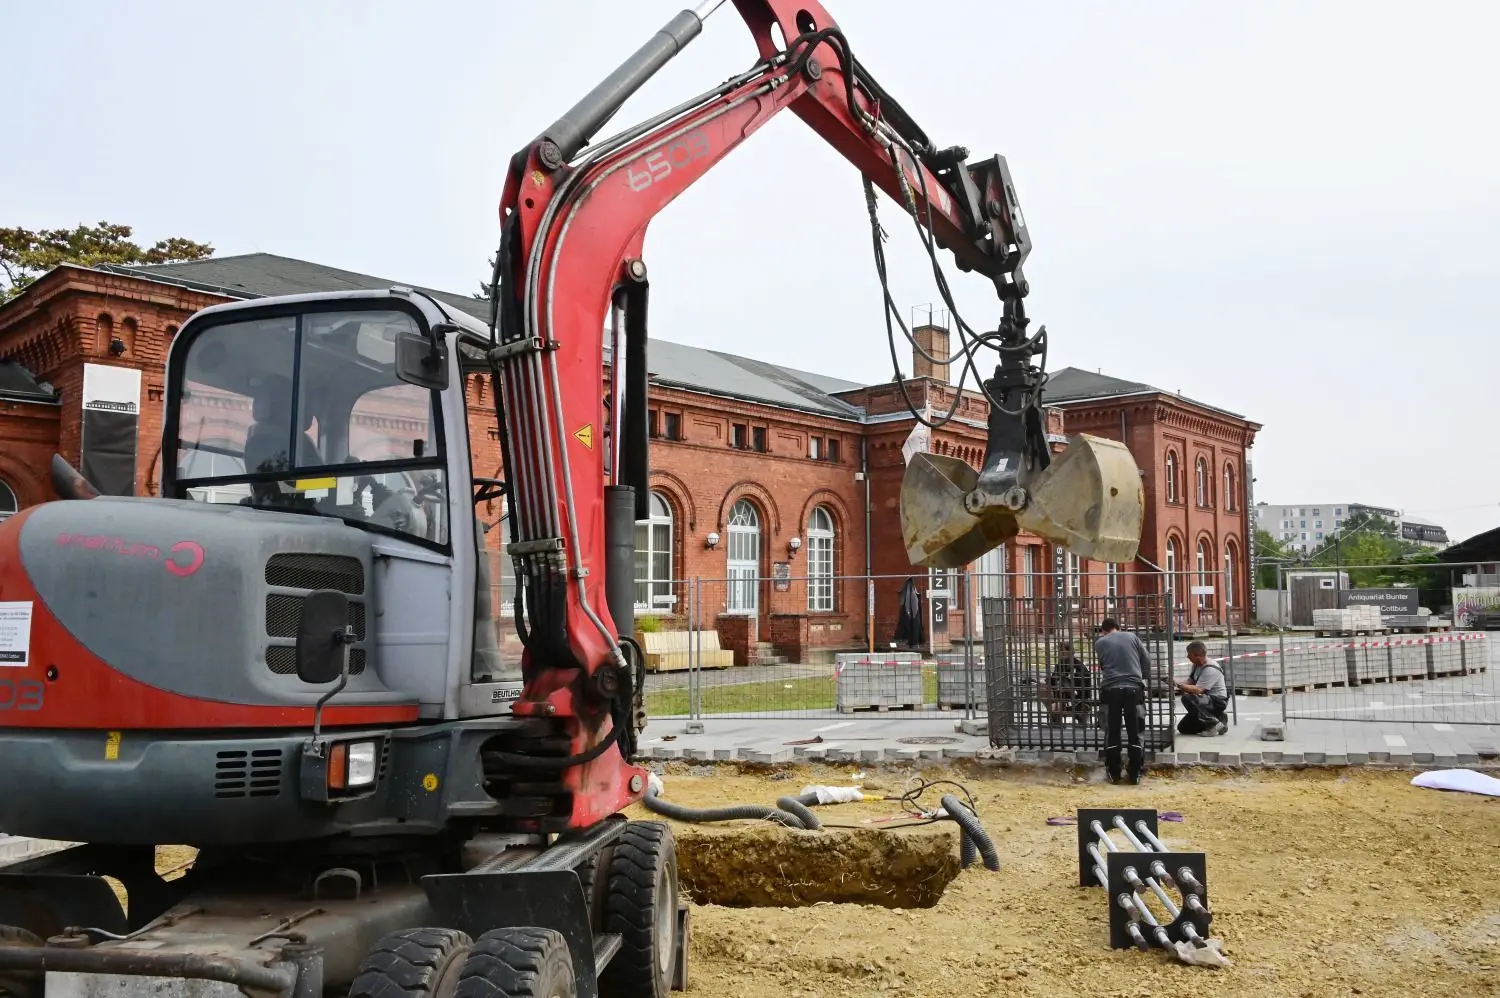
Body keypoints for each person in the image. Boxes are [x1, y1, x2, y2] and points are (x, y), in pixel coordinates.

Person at [1095, 617, 1152, 785]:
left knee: (1112, 731)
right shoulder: (1132, 637)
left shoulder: (1100, 643)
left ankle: (1114, 772)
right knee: (1136, 731)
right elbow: (1146, 660)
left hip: (1110, 691)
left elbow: (1104, 665)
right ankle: (1135, 772)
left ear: (1104, 630)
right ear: (1118, 627)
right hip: (1134, 690)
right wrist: (1142, 677)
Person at [1175, 641, 1229, 736]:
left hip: (1217, 701)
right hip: (1204, 700)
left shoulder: (1210, 668)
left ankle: (1213, 724)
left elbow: (1198, 690)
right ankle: (1220, 719)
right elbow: (1190, 682)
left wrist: (1180, 686)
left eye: (1189, 655)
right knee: (1183, 728)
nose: (1188, 657)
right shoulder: (1196, 665)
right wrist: (1176, 684)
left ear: (1197, 655)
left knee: (1187, 698)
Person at [1043, 640, 1092, 725]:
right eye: (1059, 651)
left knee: (1064, 684)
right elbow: (1053, 680)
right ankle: (1056, 715)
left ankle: (1078, 710)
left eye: (1063, 650)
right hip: (1062, 695)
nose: (1060, 653)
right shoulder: (1060, 665)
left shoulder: (1079, 666)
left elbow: (1081, 686)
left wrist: (1064, 681)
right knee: (1043, 690)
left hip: (1078, 696)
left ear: (1071, 652)